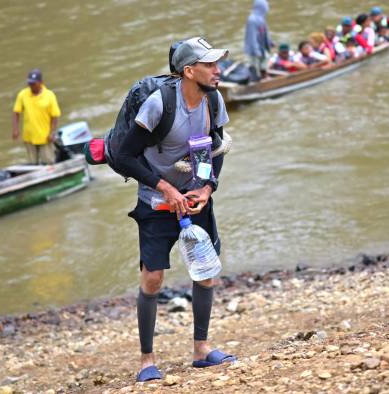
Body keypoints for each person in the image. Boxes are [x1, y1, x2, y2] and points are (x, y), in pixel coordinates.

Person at [116, 36, 236, 382]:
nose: (218, 70)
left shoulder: (214, 101)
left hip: (195, 197)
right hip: (156, 200)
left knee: (207, 271)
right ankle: (146, 360)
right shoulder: (158, 104)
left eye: (218, 63)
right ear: (188, 71)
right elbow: (125, 156)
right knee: (152, 278)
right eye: (210, 64)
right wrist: (165, 187)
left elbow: (217, 148)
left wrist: (208, 187)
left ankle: (201, 350)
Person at [11, 69, 61, 165]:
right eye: (30, 83)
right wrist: (15, 129)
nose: (31, 86)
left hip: (45, 137)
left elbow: (54, 116)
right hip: (29, 137)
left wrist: (52, 132)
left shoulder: (49, 96)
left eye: (34, 83)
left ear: (41, 82)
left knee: (48, 163)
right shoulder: (23, 95)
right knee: (32, 164)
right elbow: (16, 113)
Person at [244, 0, 273, 79]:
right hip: (254, 48)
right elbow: (251, 37)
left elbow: (265, 32)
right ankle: (254, 79)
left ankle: (263, 75)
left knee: (264, 60)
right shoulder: (252, 20)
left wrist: (270, 42)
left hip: (262, 46)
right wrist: (256, 51)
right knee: (254, 64)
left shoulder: (261, 18)